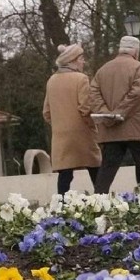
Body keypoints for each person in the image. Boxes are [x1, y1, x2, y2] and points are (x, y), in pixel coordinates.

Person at [90, 36, 140, 193]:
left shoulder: (102, 70)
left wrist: (107, 115)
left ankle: (98, 200)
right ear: (136, 51)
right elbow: (137, 95)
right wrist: (119, 114)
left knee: (108, 167)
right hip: (134, 125)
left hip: (110, 128)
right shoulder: (139, 68)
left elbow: (93, 94)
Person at [43, 43, 101, 195]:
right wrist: (93, 126)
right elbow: (85, 108)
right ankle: (103, 201)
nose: (83, 62)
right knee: (95, 168)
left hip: (60, 135)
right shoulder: (81, 79)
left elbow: (46, 112)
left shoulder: (52, 80)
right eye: (81, 58)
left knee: (65, 174)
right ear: (73, 60)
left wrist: (58, 125)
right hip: (82, 134)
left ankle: (61, 206)